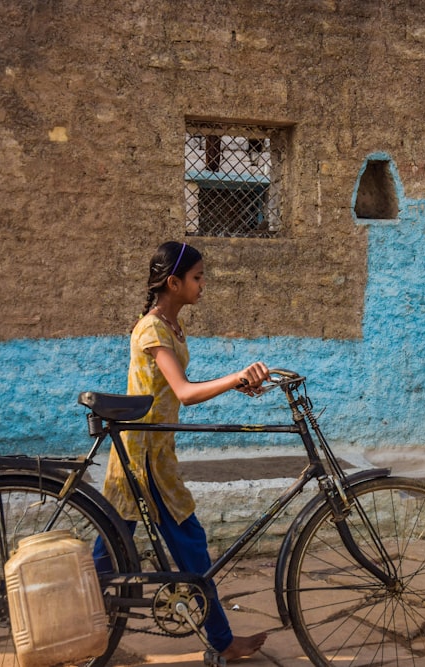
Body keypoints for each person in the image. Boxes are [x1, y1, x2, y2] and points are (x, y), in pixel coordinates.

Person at [97, 241, 268, 661]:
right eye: (197, 277)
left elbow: (179, 389)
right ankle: (223, 642)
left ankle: (71, 618)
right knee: (184, 545)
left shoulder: (169, 327)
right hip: (143, 460)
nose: (203, 284)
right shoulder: (154, 328)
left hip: (152, 453)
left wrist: (236, 384)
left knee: (111, 551)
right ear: (173, 283)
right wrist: (235, 377)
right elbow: (185, 393)